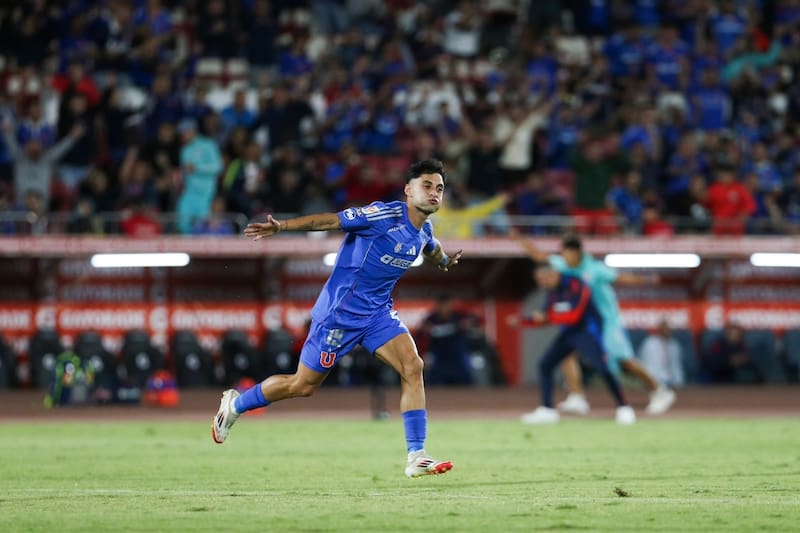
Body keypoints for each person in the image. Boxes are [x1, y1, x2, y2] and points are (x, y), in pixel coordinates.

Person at [212, 159, 462, 478]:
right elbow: (328, 221)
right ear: (408, 190)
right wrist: (283, 228)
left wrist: (442, 261)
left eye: (439, 188)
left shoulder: (424, 229)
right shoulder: (381, 215)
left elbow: (430, 246)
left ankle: (417, 455)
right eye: (426, 186)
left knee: (413, 366)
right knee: (302, 385)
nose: (434, 193)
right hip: (339, 315)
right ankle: (235, 405)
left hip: (377, 314)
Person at [514, 232, 676, 415]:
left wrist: (646, 279)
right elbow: (540, 256)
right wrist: (520, 240)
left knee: (623, 361)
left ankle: (660, 391)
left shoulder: (595, 268)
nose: (564, 257)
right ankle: (577, 397)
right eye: (563, 253)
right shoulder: (561, 265)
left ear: (578, 253)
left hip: (606, 321)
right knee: (567, 354)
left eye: (567, 253)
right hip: (581, 321)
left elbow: (620, 278)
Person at [510, 266, 635, 425]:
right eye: (539, 281)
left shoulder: (576, 284)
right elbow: (545, 319)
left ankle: (624, 408)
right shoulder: (552, 292)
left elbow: (574, 314)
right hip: (569, 333)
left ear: (554, 273)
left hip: (588, 332)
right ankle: (547, 410)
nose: (542, 283)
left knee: (603, 369)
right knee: (545, 365)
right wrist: (522, 321)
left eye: (544, 278)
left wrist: (547, 316)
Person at [176, 118, 223, 234]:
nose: (182, 136)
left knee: (204, 226)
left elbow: (218, 167)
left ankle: (202, 251)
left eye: (184, 133)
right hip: (189, 192)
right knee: (182, 223)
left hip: (206, 193)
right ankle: (186, 249)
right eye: (181, 134)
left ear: (192, 131)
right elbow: (186, 172)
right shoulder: (184, 150)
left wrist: (197, 168)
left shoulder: (208, 144)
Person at [418, 293, 474, 386]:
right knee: (434, 383)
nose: (444, 308)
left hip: (456, 356)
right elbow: (421, 334)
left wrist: (466, 326)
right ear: (438, 305)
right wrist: (425, 331)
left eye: (447, 305)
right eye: (442, 305)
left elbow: (473, 323)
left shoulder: (459, 317)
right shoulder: (431, 319)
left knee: (466, 381)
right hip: (439, 357)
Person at [638, 320, 685, 388]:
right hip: (653, 381)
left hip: (670, 382)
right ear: (659, 330)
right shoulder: (650, 343)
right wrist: (652, 381)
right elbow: (645, 365)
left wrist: (678, 382)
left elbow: (676, 366)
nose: (666, 332)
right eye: (664, 329)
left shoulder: (674, 345)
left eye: (668, 329)